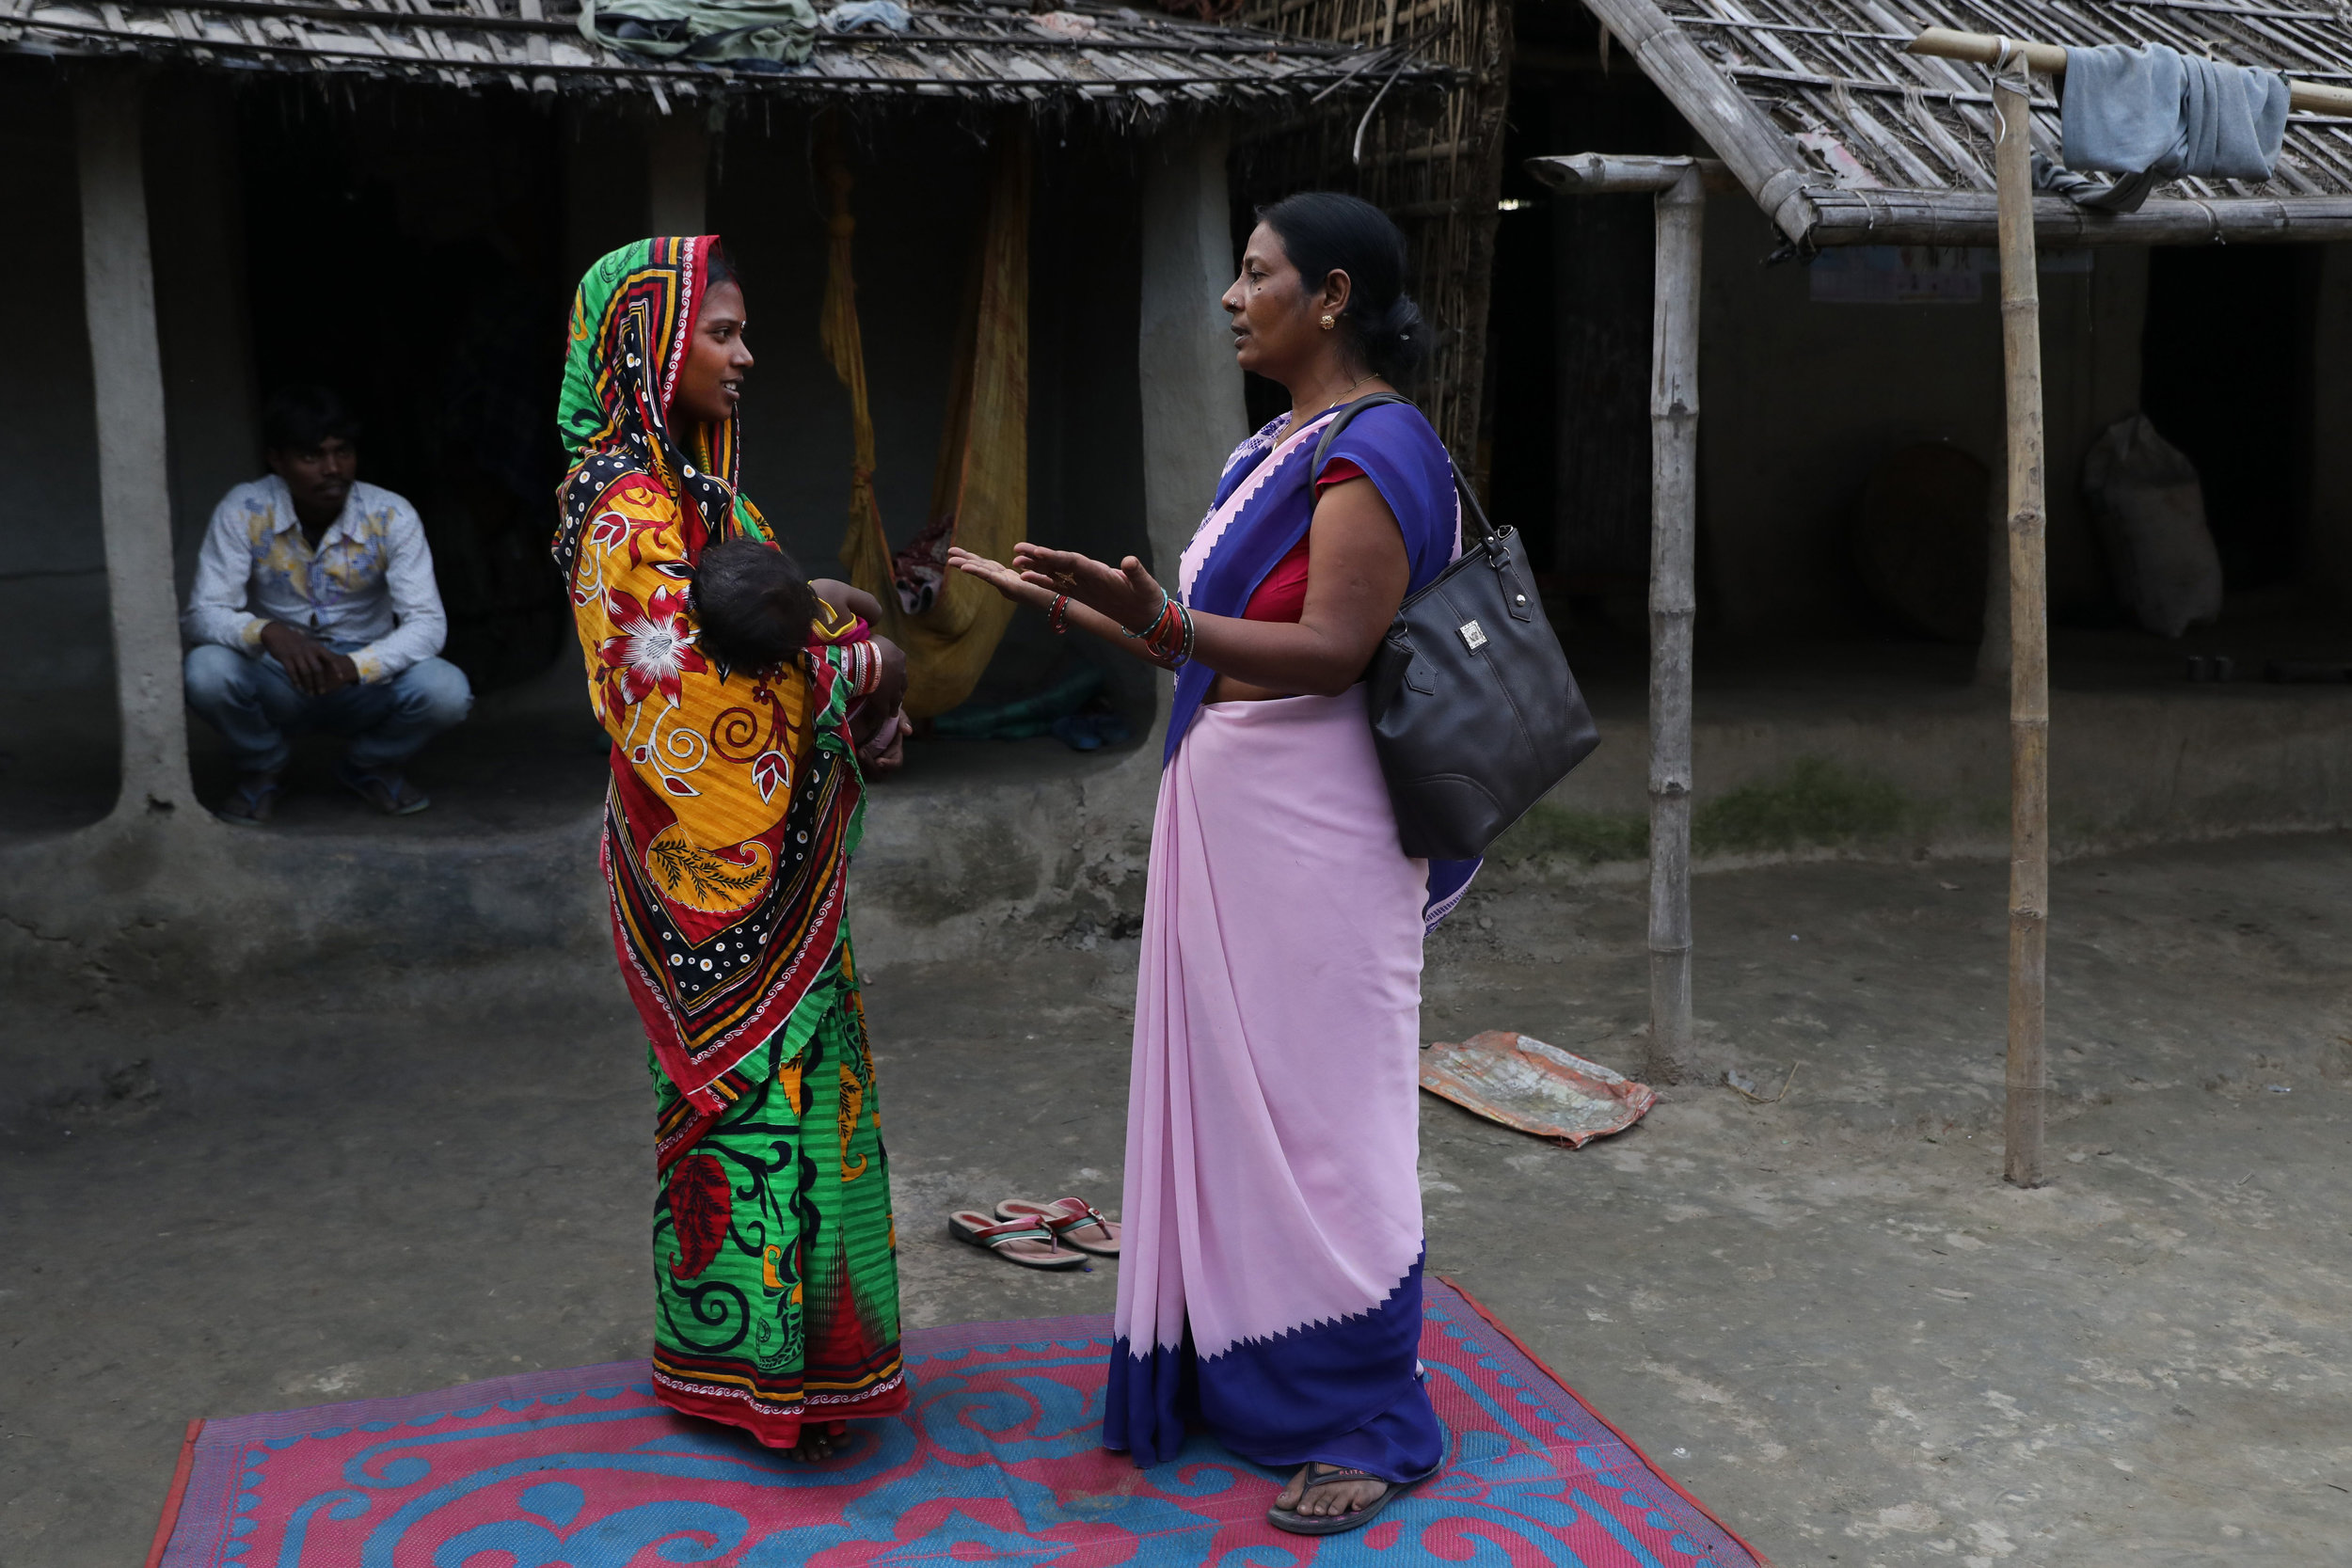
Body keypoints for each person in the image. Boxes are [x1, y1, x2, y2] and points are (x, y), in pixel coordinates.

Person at [952, 191, 1469, 1535]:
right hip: (1238, 825)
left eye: (1258, 274)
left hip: (1322, 834)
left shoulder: (1376, 447)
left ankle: (1371, 1409)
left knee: (1328, 1116)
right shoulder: (1278, 449)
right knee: (1239, 1110)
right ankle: (1244, 1371)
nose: (1234, 298)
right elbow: (1216, 640)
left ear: (1335, 295)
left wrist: (1172, 624)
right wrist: (1096, 616)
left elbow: (1339, 647)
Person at [556, 235, 909, 1461]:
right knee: (744, 1120)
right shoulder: (624, 511)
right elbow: (692, 709)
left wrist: (831, 639)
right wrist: (863, 666)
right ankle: (743, 1374)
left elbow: (769, 624)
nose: (747, 353)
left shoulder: (707, 493)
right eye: (723, 332)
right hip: (709, 883)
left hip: (782, 878)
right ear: (647, 347)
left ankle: (821, 1361)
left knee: (814, 1107)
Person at [182, 386, 473, 823]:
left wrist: (357, 667)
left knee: (447, 691)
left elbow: (428, 624)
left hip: (364, 682)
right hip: (278, 678)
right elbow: (202, 614)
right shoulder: (244, 509)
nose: (332, 469)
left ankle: (368, 764)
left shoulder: (391, 515)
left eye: (342, 452)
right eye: (312, 456)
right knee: (205, 671)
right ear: (277, 460)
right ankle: (264, 765)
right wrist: (267, 632)